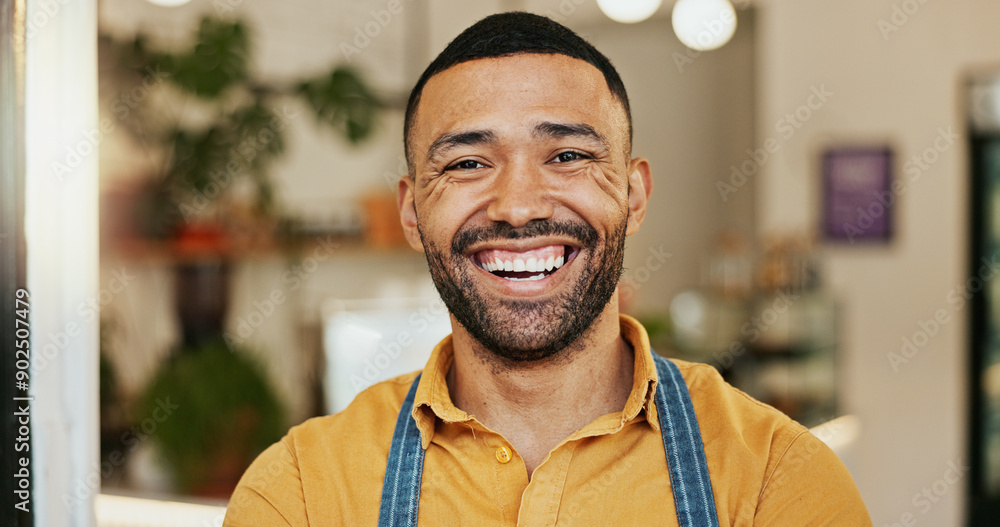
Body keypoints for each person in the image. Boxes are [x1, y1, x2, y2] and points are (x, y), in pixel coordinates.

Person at [224, 12, 871, 526]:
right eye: (468, 163)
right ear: (413, 209)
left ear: (633, 195)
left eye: (566, 154)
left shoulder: (777, 484)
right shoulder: (302, 494)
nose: (518, 206)